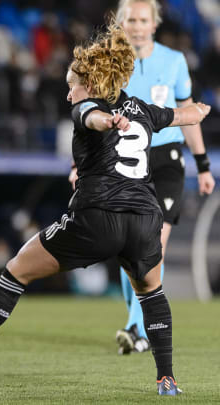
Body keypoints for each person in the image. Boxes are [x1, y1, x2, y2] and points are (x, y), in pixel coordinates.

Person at [0, 24, 210, 396]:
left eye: (72, 86)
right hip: (146, 219)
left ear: (92, 86)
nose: (68, 95)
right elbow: (185, 116)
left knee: (16, 271)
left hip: (98, 216)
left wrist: (106, 120)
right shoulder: (142, 108)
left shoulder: (88, 107)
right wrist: (199, 109)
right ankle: (167, 380)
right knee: (152, 293)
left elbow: (91, 118)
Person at [109, 0, 213, 355]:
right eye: (131, 20)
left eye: (143, 20)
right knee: (128, 249)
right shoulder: (108, 62)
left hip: (167, 160)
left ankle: (136, 329)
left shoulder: (174, 61)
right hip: (124, 159)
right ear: (120, 23)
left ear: (154, 24)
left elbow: (189, 116)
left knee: (155, 244)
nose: (137, 26)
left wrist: (202, 165)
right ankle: (135, 321)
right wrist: (81, 164)